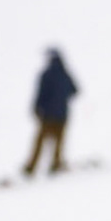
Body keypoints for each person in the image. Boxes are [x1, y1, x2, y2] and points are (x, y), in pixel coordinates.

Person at [25, 49, 79, 177]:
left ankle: (31, 167)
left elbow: (41, 93)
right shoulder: (65, 75)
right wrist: (62, 98)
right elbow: (75, 91)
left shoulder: (46, 74)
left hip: (47, 115)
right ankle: (56, 164)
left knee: (40, 142)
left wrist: (36, 108)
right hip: (62, 114)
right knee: (59, 142)